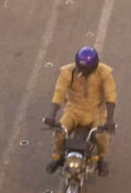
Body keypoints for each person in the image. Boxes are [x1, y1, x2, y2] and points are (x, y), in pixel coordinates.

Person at [44, 47, 117, 176]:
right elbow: (58, 94)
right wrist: (51, 115)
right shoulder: (67, 71)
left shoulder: (104, 72)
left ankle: (100, 159)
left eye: (85, 69)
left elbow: (110, 96)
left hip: (96, 111)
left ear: (94, 65)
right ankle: (60, 157)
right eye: (80, 67)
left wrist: (109, 120)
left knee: (102, 137)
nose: (81, 71)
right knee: (59, 132)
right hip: (74, 109)